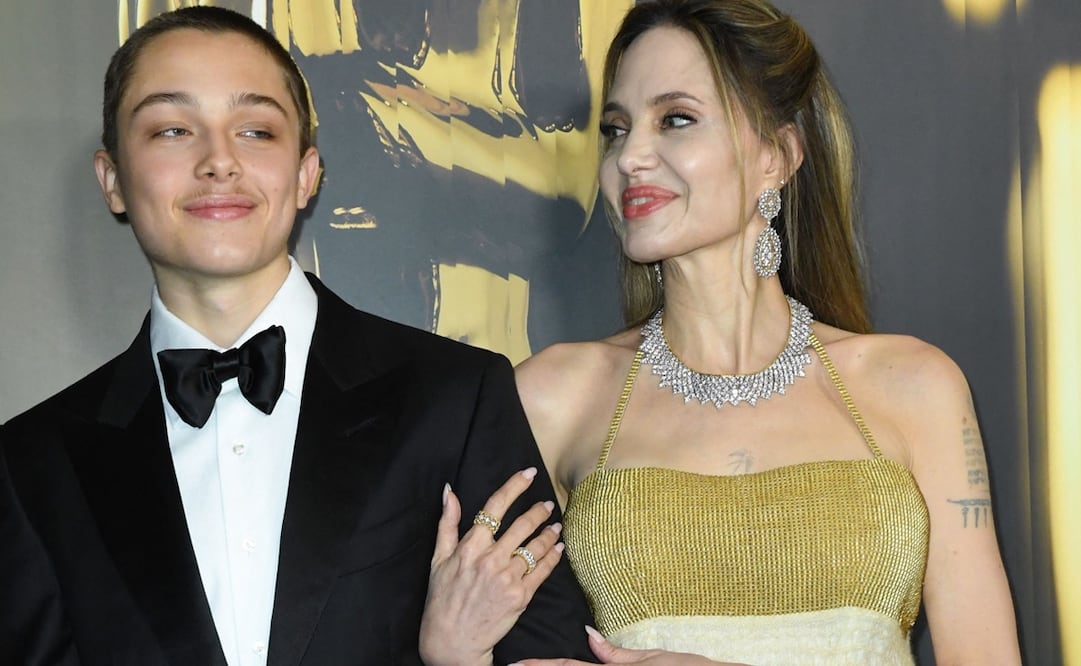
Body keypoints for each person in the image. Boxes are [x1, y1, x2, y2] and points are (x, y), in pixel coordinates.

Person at [422, 0, 1022, 664]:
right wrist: (449, 652)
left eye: (675, 119)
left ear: (778, 155)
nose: (631, 158)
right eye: (616, 130)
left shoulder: (912, 386)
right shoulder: (554, 395)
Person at [0, 6, 595, 665]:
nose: (218, 160)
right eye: (172, 129)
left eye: (254, 130)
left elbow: (546, 651)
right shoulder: (34, 464)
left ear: (307, 173)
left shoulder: (455, 398)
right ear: (112, 180)